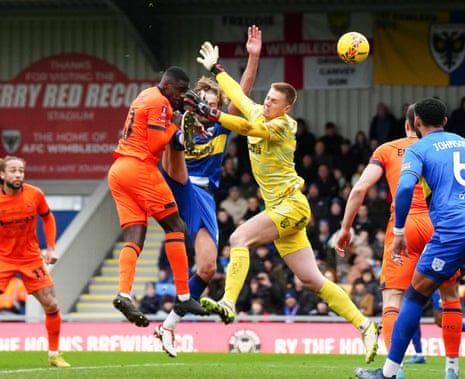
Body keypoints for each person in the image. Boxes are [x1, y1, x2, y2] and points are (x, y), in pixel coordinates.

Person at [187, 39, 381, 364]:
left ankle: (229, 303)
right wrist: (217, 70)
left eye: (274, 101)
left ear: (286, 108)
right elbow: (239, 97)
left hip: (291, 207)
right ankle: (365, 325)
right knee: (311, 280)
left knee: (239, 238)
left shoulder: (282, 127)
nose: (266, 104)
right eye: (266, 98)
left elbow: (246, 126)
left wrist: (211, 113)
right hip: (285, 210)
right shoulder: (262, 113)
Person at [154, 25, 262, 357]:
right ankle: (180, 138)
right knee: (175, 147)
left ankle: (167, 327)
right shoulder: (177, 113)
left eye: (210, 103)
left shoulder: (220, 125)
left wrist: (253, 57)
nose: (206, 106)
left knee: (207, 269)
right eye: (201, 102)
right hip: (175, 181)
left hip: (202, 196)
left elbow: (241, 94)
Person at [337, 103, 461, 378]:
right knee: (450, 296)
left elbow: (359, 189)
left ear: (410, 124)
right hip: (438, 223)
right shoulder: (456, 144)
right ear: (443, 120)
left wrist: (345, 228)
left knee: (394, 297)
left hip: (405, 224)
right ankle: (452, 370)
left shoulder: (389, 150)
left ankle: (396, 370)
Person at [108, 66, 208, 328]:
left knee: (135, 237)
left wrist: (178, 126)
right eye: (180, 90)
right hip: (140, 167)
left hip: (119, 171)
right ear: (168, 84)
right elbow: (155, 144)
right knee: (176, 227)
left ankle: (124, 294)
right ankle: (184, 295)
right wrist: (175, 126)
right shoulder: (159, 101)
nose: (181, 96)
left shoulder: (146, 95)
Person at [0, 156, 70, 367]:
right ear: (2, 175)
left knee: (51, 304)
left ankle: (54, 355)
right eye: (13, 171)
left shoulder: (35, 194)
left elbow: (47, 217)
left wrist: (50, 248)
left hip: (31, 258)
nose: (18, 175)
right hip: (3, 258)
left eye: (21, 171)